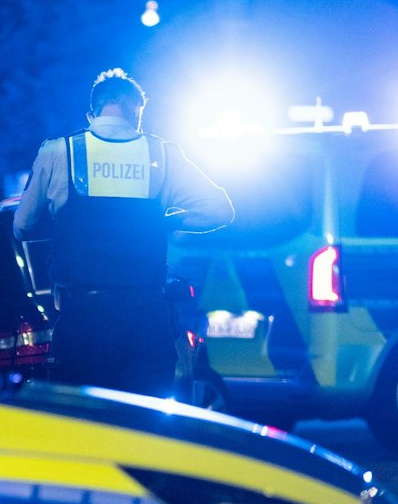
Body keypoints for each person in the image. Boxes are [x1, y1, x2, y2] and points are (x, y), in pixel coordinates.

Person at [14, 68, 234, 397]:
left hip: (82, 319)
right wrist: (167, 221)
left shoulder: (60, 152)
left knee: (82, 427)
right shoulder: (162, 154)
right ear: (137, 112)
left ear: (93, 113)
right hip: (146, 318)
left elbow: (22, 226)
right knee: (143, 429)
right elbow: (220, 210)